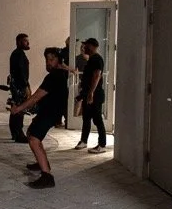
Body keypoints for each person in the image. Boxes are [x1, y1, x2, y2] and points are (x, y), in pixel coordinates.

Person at [9, 47, 69, 188]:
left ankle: (47, 176)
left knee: (34, 140)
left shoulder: (53, 76)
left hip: (50, 113)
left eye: (51, 59)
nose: (48, 62)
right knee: (31, 133)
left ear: (59, 60)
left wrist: (18, 108)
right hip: (49, 111)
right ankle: (42, 162)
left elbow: (37, 96)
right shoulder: (59, 73)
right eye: (46, 60)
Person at [77, 37, 108, 153]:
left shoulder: (96, 59)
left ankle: (102, 145)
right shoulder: (91, 59)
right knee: (86, 118)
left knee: (97, 119)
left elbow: (97, 76)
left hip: (95, 95)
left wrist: (91, 93)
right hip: (89, 94)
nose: (85, 47)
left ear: (93, 46)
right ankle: (83, 141)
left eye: (87, 45)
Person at [7, 33, 31, 142]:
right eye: (25, 41)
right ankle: (19, 134)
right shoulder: (19, 54)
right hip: (19, 87)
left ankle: (15, 133)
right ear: (19, 42)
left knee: (15, 109)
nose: (28, 43)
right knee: (19, 109)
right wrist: (26, 86)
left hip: (17, 85)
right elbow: (21, 72)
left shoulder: (17, 54)